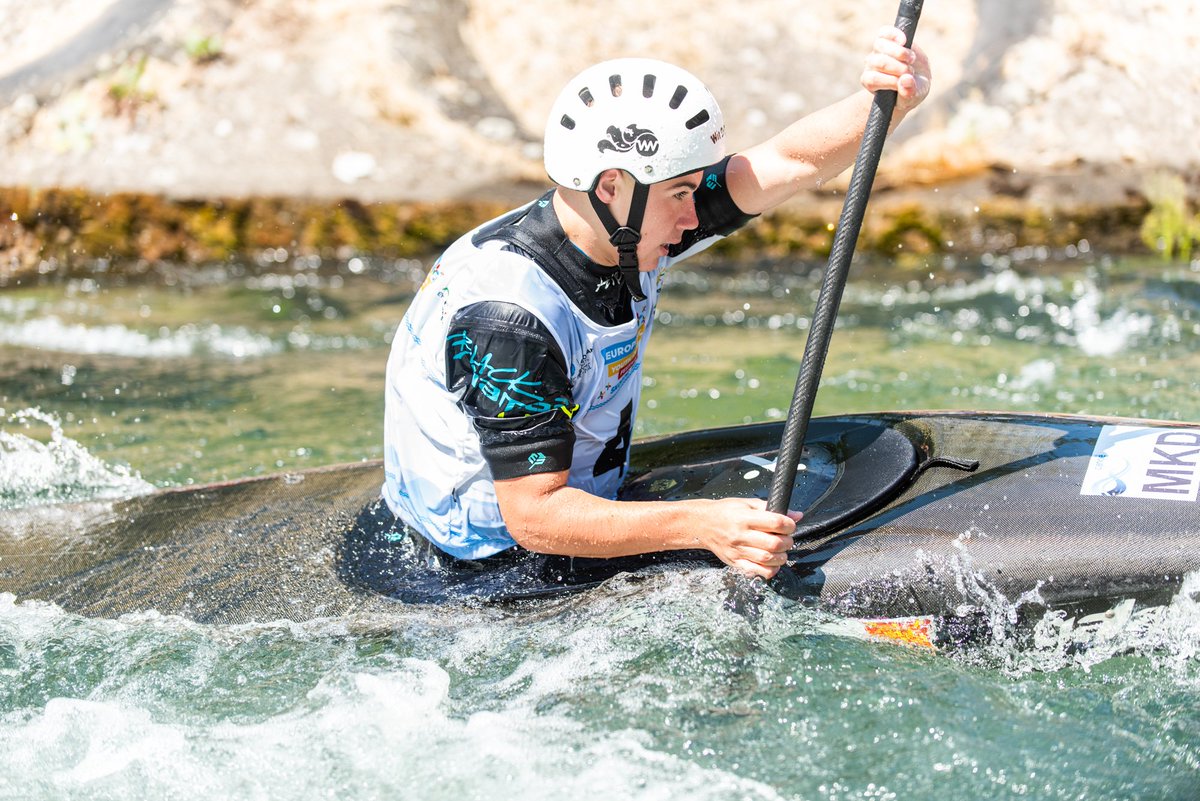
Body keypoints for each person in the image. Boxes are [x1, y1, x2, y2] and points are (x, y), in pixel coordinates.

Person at [382, 28, 931, 580]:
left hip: (571, 506)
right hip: (486, 568)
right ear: (610, 185)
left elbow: (788, 161)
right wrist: (703, 524)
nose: (693, 218)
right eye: (679, 195)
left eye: (692, 191)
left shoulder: (623, 225)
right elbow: (534, 516)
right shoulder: (509, 320)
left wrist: (886, 100)